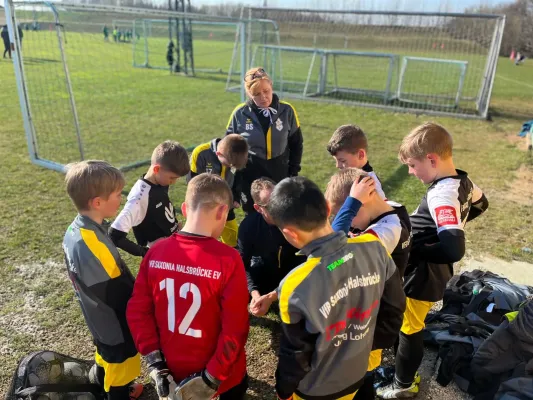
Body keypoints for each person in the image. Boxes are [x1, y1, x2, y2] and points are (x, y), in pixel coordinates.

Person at [377, 122, 489, 399]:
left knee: (409, 328)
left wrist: (418, 247)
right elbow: (482, 203)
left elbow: (453, 250)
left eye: (413, 166)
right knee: (408, 323)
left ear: (432, 159)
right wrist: (451, 228)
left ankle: (403, 384)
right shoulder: (462, 181)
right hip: (427, 269)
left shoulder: (442, 194)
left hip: (424, 273)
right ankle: (403, 374)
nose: (410, 172)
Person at [266, 176, 405, 400]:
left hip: (317, 390)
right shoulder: (375, 248)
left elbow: (295, 354)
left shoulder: (293, 286)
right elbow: (395, 307)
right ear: (328, 208)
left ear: (290, 233)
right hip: (360, 370)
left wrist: (283, 391)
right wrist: (369, 344)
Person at [126, 173, 249, 400]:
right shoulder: (229, 259)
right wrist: (212, 377)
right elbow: (236, 328)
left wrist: (156, 364)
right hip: (223, 376)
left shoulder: (155, 252)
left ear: (184, 208)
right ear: (222, 212)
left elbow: (137, 311)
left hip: (172, 373)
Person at [325, 168, 412, 400]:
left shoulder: (388, 230)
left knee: (362, 373)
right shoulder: (388, 208)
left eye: (350, 212)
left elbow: (330, 255)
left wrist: (351, 202)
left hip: (374, 318)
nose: (347, 220)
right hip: (372, 307)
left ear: (363, 201)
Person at [62, 161, 142, 400]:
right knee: (120, 363)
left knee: (105, 354)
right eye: (118, 195)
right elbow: (118, 293)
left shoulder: (75, 230)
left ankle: (100, 384)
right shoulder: (92, 243)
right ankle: (117, 393)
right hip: (113, 320)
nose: (121, 198)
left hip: (96, 316)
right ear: (97, 202)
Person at [225, 67, 303, 213]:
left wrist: (293, 172)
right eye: (256, 94)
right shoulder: (239, 113)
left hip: (280, 173)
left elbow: (296, 144)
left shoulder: (287, 111)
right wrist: (234, 185)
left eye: (266, 91)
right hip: (250, 174)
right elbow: (228, 150)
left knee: (280, 214)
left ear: (271, 86)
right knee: (253, 215)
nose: (263, 97)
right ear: (249, 94)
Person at [238, 177, 306, 317]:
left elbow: (308, 264)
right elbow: (242, 265)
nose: (279, 208)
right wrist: (255, 294)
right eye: (271, 205)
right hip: (265, 272)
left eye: (280, 200)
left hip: (295, 274)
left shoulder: (298, 220)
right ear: (258, 208)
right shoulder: (248, 227)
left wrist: (272, 296)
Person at [109, 141, 189, 257]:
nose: (174, 182)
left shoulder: (160, 181)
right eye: (172, 178)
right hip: (161, 258)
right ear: (156, 169)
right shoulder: (139, 198)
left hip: (174, 246)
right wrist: (146, 252)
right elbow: (114, 235)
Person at [187, 134, 249, 247]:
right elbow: (192, 181)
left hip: (225, 203)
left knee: (232, 237)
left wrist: (235, 196)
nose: (231, 168)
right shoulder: (200, 153)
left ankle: (232, 249)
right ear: (218, 154)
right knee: (203, 234)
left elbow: (239, 177)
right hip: (204, 204)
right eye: (228, 165)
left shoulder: (236, 157)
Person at [327, 124, 386, 199]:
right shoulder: (349, 177)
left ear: (361, 155)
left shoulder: (370, 184)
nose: (337, 165)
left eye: (342, 160)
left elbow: (382, 209)